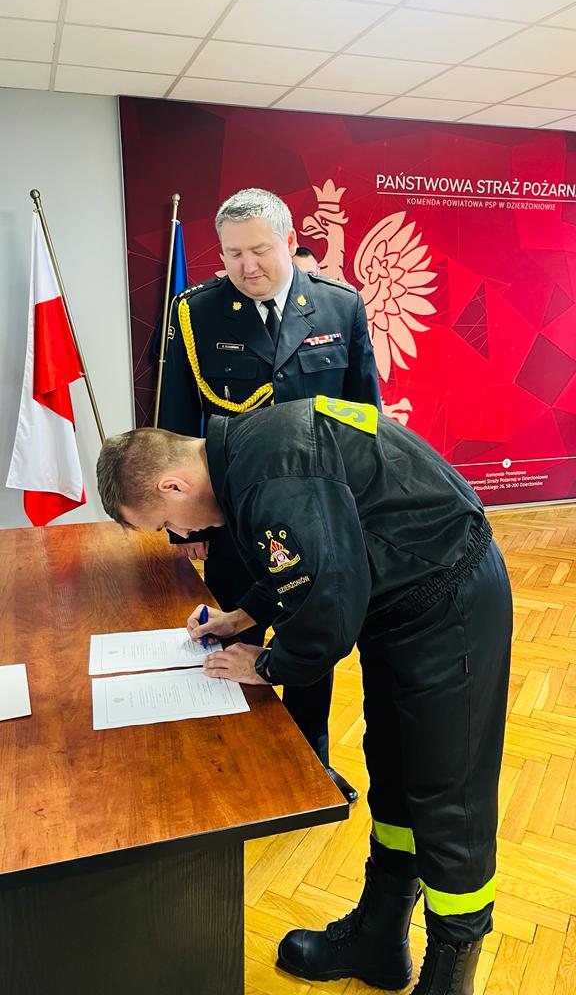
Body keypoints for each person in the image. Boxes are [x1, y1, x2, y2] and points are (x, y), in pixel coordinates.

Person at [97, 396, 512, 995]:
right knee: (394, 771)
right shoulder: (247, 454)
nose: (180, 535)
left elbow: (329, 609)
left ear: (172, 484)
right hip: (400, 605)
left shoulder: (271, 474)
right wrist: (244, 616)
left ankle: (450, 978)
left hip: (450, 606)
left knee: (450, 801)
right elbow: (307, 561)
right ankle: (381, 937)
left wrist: (268, 663)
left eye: (165, 523)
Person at [158, 187, 381, 803]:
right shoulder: (196, 312)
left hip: (321, 517)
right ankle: (246, 766)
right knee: (235, 637)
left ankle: (309, 765)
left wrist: (362, 510)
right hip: (234, 515)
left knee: (310, 633)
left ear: (289, 241)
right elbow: (177, 425)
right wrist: (188, 528)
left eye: (259, 250)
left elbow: (364, 418)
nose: (246, 266)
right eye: (232, 254)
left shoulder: (338, 306)